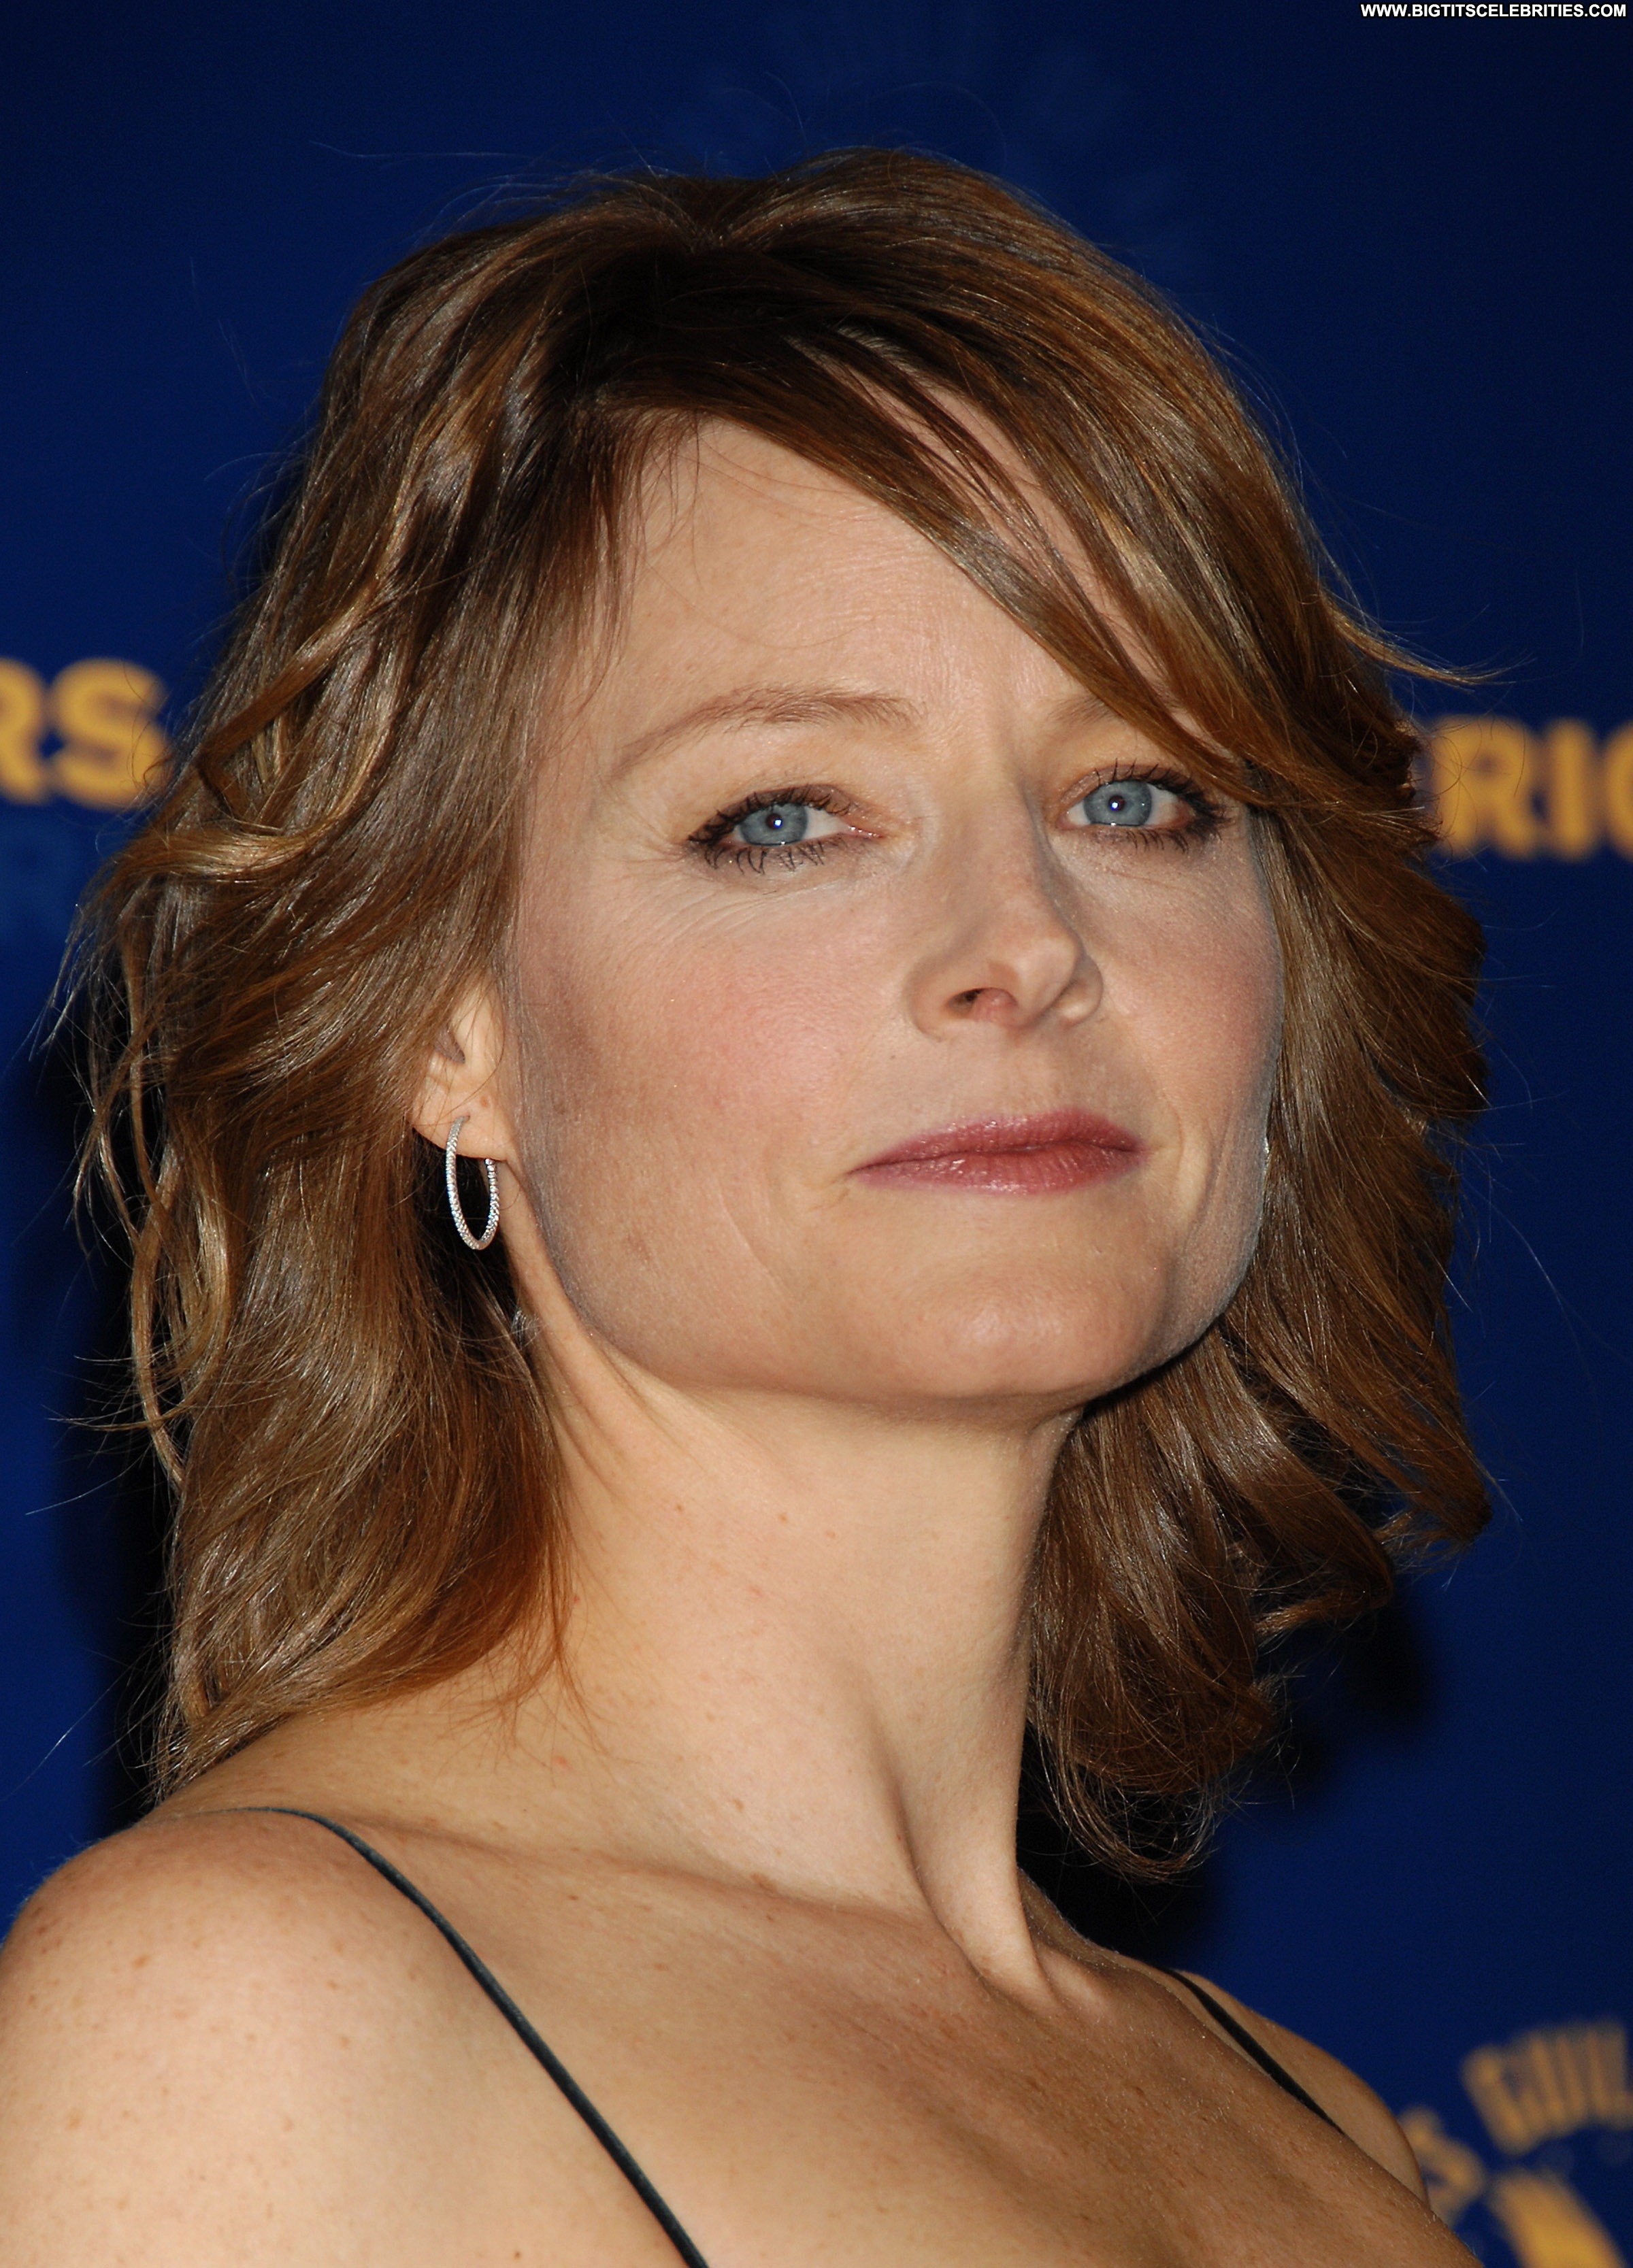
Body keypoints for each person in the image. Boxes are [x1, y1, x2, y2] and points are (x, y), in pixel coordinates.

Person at [0, 150, 1487, 2264]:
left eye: (1136, 796)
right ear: (446, 1027)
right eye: (788, 818)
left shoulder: (1316, 2136)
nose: (1026, 942)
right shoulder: (253, 2022)